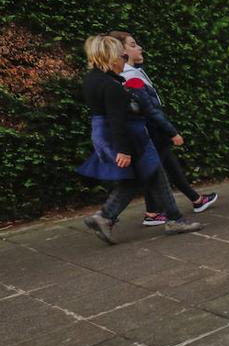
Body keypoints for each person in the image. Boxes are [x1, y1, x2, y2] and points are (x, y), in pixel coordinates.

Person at [77, 35, 202, 244]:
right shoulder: (112, 86)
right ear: (109, 57)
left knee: (136, 179)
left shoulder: (92, 80)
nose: (123, 59)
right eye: (120, 55)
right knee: (155, 172)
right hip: (131, 138)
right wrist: (124, 151)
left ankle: (105, 217)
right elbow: (118, 120)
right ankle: (174, 220)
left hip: (106, 135)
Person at [109, 31, 218, 226]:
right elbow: (150, 110)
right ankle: (119, 215)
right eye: (133, 45)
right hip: (151, 130)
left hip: (151, 130)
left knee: (166, 165)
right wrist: (172, 131)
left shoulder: (133, 72)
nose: (139, 47)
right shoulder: (131, 77)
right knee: (155, 171)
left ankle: (187, 202)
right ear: (121, 51)